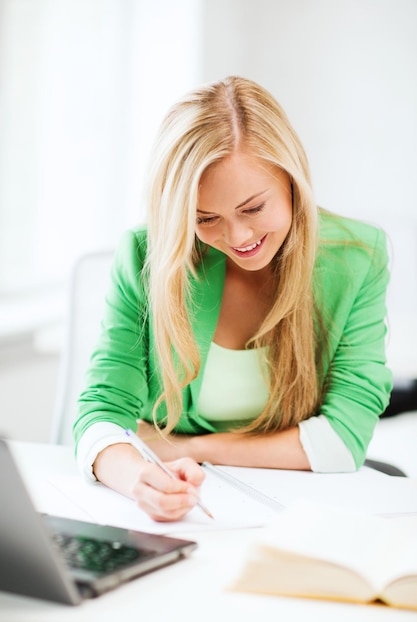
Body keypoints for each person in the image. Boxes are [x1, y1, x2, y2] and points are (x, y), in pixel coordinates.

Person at [73, 76, 392, 522]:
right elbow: (99, 419)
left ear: (292, 181)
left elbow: (343, 440)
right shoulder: (147, 254)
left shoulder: (357, 258)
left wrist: (190, 449)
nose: (238, 237)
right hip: (181, 515)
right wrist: (137, 479)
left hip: (295, 516)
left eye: (253, 208)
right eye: (205, 218)